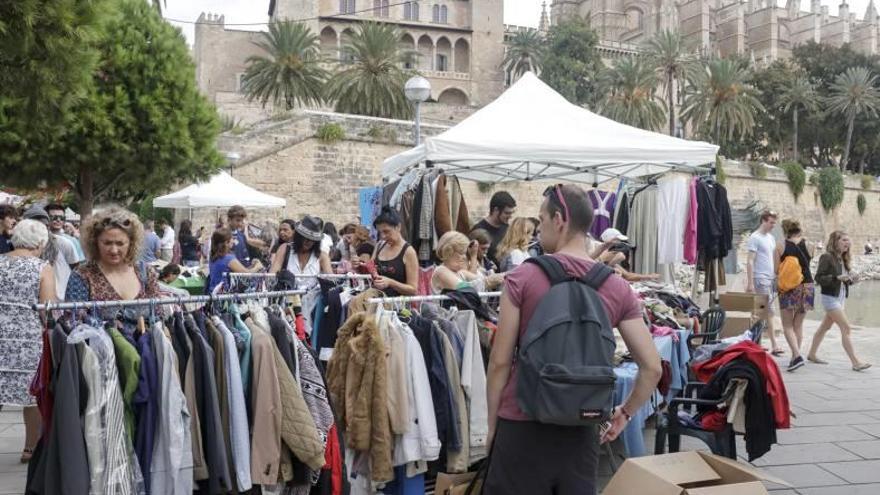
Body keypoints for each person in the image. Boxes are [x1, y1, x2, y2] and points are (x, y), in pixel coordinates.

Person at [485, 184, 662, 494]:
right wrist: (626, 413)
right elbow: (652, 367)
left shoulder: (522, 278)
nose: (539, 230)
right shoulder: (616, 287)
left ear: (559, 219)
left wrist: (491, 426)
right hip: (582, 427)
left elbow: (500, 363)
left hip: (522, 423)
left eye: (541, 220)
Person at [0, 220, 56, 463]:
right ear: (41, 243)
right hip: (27, 339)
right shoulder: (43, 268)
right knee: (32, 394)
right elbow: (48, 309)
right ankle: (29, 449)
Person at [807, 231, 871, 371]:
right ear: (835, 241)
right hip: (830, 299)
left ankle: (811, 354)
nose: (847, 243)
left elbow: (844, 280)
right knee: (846, 328)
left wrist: (853, 279)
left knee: (825, 327)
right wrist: (837, 278)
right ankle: (855, 362)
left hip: (840, 298)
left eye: (848, 240)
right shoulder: (827, 257)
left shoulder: (842, 258)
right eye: (843, 240)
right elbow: (818, 278)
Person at [776, 219, 815, 372]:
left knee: (787, 325)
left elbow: (776, 271)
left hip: (789, 288)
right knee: (798, 325)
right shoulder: (810, 245)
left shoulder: (780, 246)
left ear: (784, 230)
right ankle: (794, 357)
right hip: (808, 286)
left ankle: (797, 356)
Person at [747, 210, 783, 356]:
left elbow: (773, 258)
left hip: (769, 278)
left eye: (774, 223)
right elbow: (750, 260)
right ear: (763, 221)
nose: (773, 225)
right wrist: (750, 283)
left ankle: (758, 343)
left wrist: (777, 275)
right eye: (771, 222)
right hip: (760, 278)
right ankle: (772, 344)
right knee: (767, 311)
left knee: (764, 312)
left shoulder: (771, 238)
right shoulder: (755, 237)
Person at [22, 205, 77, 301]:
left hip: (59, 300)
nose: (58, 220)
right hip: (29, 298)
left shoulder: (63, 243)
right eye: (34, 224)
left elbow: (75, 269)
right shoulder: (18, 244)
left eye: (44, 224)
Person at [269, 215, 332, 290]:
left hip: (313, 299)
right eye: (305, 237)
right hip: (287, 298)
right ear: (299, 236)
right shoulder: (285, 249)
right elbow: (272, 276)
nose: (308, 241)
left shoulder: (322, 256)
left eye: (312, 239)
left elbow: (331, 280)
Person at [432, 231, 503, 294]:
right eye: (460, 252)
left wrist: (503, 276)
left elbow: (479, 278)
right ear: (447, 252)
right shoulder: (441, 271)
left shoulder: (459, 272)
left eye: (464, 253)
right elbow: (464, 289)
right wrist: (488, 282)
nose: (464, 257)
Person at [371, 207, 418, 296]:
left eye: (386, 231)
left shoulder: (408, 252)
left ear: (398, 227)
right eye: (379, 232)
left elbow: (413, 289)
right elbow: (371, 269)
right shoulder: (379, 246)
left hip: (397, 305)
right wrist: (359, 267)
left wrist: (390, 282)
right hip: (376, 300)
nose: (383, 236)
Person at [207, 228, 264, 293]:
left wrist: (252, 266)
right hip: (224, 295)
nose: (233, 241)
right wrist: (257, 267)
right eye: (232, 239)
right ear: (226, 243)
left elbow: (240, 271)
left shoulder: (214, 257)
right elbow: (246, 274)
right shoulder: (229, 259)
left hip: (213, 292)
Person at [471, 191, 517, 266]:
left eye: (511, 213)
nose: (510, 216)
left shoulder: (507, 228)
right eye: (507, 213)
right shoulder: (478, 230)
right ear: (496, 210)